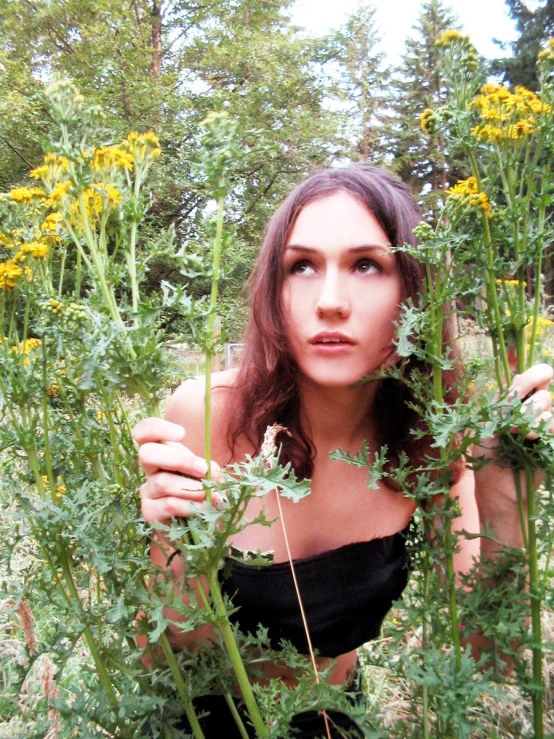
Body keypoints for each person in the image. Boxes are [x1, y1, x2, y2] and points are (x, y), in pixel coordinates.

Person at [133, 163, 553, 738]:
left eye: (367, 265)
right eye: (301, 266)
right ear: (274, 291)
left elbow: (488, 656)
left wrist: (507, 487)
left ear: (416, 292)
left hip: (335, 724)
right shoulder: (206, 412)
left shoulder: (433, 439)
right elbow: (167, 659)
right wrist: (173, 537)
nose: (330, 301)